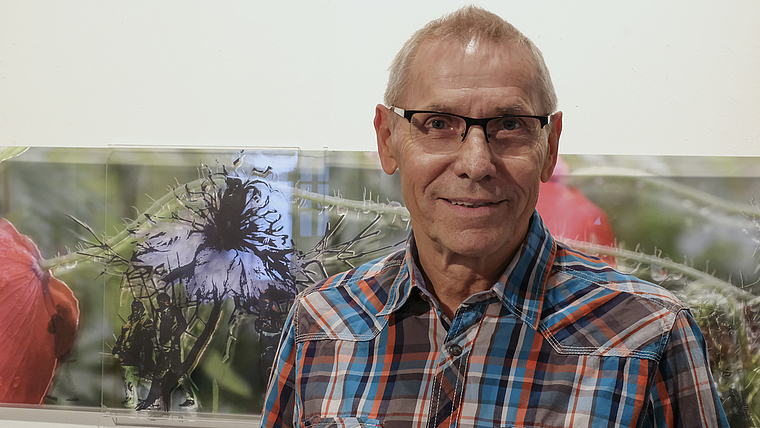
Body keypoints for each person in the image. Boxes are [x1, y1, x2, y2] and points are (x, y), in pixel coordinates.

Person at [261, 6, 728, 428]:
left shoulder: (649, 335)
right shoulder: (320, 325)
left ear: (551, 145)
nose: (477, 162)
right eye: (438, 123)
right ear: (388, 139)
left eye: (509, 125)